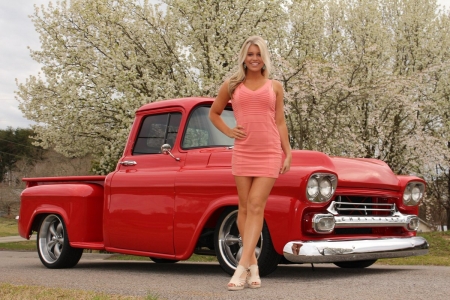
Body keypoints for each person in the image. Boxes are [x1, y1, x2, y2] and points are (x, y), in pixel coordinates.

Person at [209, 36, 292, 291]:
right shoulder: (233, 85)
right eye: (250, 54)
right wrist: (229, 131)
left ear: (264, 57)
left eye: (258, 54)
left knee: (256, 204)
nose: (254, 58)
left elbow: (279, 121)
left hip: (269, 151)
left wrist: (287, 152)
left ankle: (241, 267)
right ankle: (253, 264)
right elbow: (214, 112)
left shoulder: (275, 86)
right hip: (243, 151)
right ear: (244, 57)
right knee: (244, 208)